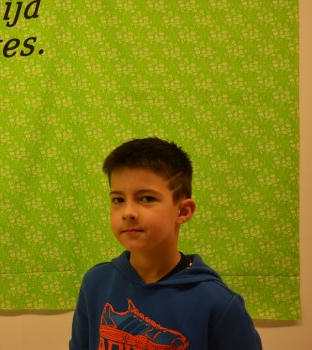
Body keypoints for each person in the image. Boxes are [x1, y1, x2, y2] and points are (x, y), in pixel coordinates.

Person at [69, 137, 262, 350]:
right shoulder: (95, 283)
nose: (128, 212)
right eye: (118, 200)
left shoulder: (219, 303)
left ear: (183, 211)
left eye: (147, 198)